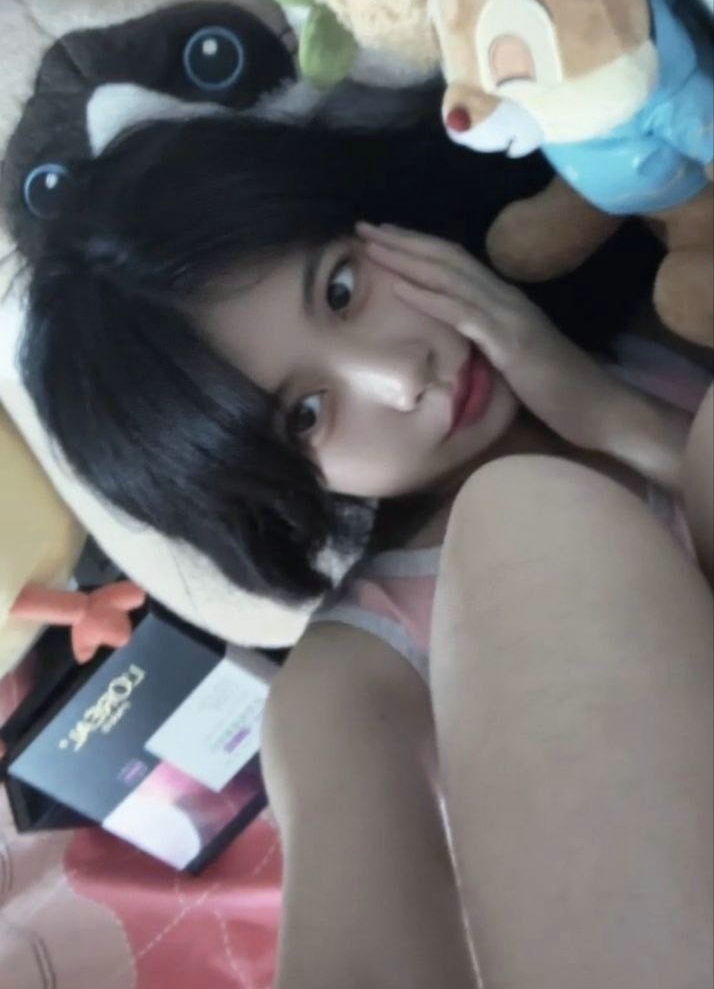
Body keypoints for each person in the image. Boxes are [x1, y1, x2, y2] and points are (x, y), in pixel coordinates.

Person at [19, 114, 713, 989]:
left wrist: (623, 423)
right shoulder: (353, 678)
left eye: (343, 290)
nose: (403, 375)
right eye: (306, 417)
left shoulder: (660, 318)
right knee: (521, 516)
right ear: (267, 491)